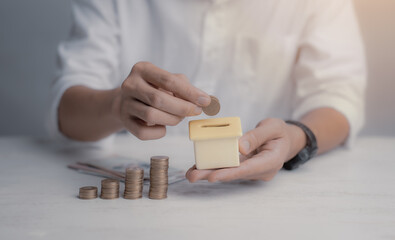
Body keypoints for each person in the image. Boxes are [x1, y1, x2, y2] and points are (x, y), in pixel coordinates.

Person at [48, 0, 366, 183]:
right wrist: (117, 106)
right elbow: (67, 107)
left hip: (270, 199)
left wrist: (296, 138)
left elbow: (338, 95)